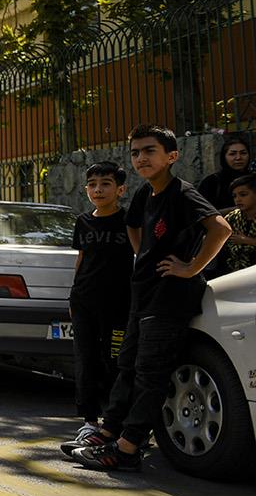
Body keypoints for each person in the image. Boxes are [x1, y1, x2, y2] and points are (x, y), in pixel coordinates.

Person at [65, 125, 231, 472]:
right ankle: (108, 431)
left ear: (171, 156)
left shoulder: (183, 194)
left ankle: (126, 450)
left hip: (171, 297)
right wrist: (145, 255)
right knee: (127, 365)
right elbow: (133, 226)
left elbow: (220, 228)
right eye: (136, 151)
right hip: (142, 293)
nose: (141, 158)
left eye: (150, 151)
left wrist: (190, 267)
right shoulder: (144, 194)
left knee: (150, 373)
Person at [65, 162, 132, 440]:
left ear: (120, 189)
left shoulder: (130, 221)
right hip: (84, 302)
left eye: (105, 183)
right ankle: (89, 421)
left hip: (118, 304)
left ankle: (115, 421)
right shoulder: (83, 221)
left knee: (116, 361)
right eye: (92, 184)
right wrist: (72, 296)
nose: (98, 189)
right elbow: (81, 259)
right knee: (86, 360)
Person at [196, 132, 250, 211]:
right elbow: (201, 213)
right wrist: (236, 210)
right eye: (232, 154)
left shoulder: (252, 180)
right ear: (224, 157)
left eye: (243, 153)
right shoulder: (212, 182)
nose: (238, 157)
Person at [220, 173, 256, 273]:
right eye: (234, 196)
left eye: (243, 195)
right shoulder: (233, 218)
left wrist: (248, 240)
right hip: (237, 271)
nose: (238, 199)